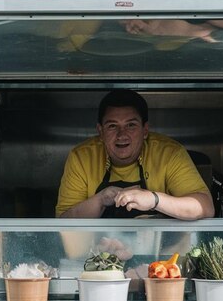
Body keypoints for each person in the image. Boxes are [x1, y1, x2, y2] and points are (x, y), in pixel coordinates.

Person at [56, 90, 214, 220]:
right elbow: (63, 221)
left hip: (161, 253)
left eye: (131, 125)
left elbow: (205, 207)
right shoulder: (81, 157)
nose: (121, 135)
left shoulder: (169, 153)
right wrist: (101, 199)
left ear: (145, 130)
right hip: (97, 253)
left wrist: (154, 199)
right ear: (100, 131)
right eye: (112, 126)